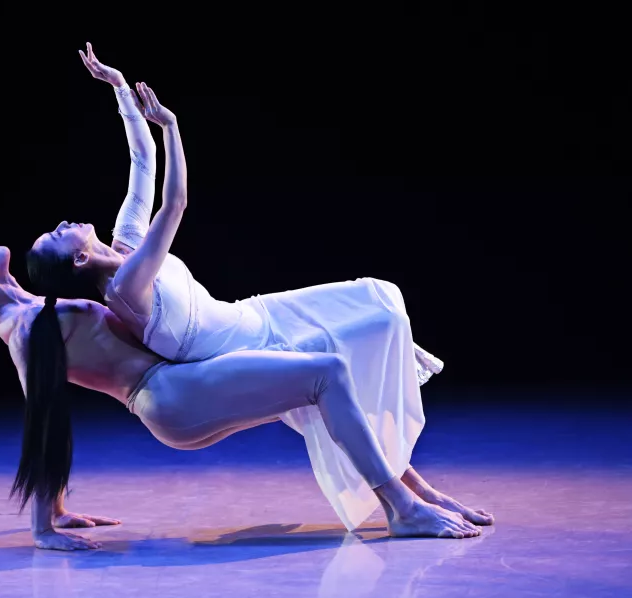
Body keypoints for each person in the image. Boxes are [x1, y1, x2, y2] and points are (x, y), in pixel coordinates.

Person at [25, 44, 493, 531]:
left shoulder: (125, 243)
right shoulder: (125, 287)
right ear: (78, 258)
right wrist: (172, 126)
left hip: (255, 313)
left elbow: (142, 164)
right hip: (242, 347)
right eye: (57, 235)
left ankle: (419, 491)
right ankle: (406, 505)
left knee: (381, 301)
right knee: (338, 365)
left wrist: (119, 89)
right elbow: (175, 202)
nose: (62, 222)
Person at [0, 233, 483, 550]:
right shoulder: (22, 328)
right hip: (170, 396)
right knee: (325, 372)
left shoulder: (34, 308)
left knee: (316, 380)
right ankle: (403, 510)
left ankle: (419, 494)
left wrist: (57, 510)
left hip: (179, 390)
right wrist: (42, 526)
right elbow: (44, 418)